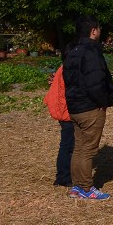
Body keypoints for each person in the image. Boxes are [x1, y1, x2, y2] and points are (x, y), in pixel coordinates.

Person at [63, 16, 113, 201]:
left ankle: (76, 186)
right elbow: (95, 82)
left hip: (75, 106)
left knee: (78, 147)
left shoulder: (73, 51)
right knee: (88, 149)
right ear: (93, 30)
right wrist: (104, 100)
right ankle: (86, 187)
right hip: (90, 107)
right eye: (99, 28)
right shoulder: (91, 52)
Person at [43, 41, 77, 187]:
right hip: (66, 112)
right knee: (68, 145)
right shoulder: (68, 70)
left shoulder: (62, 69)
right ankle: (63, 176)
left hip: (62, 111)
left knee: (67, 144)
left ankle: (64, 175)